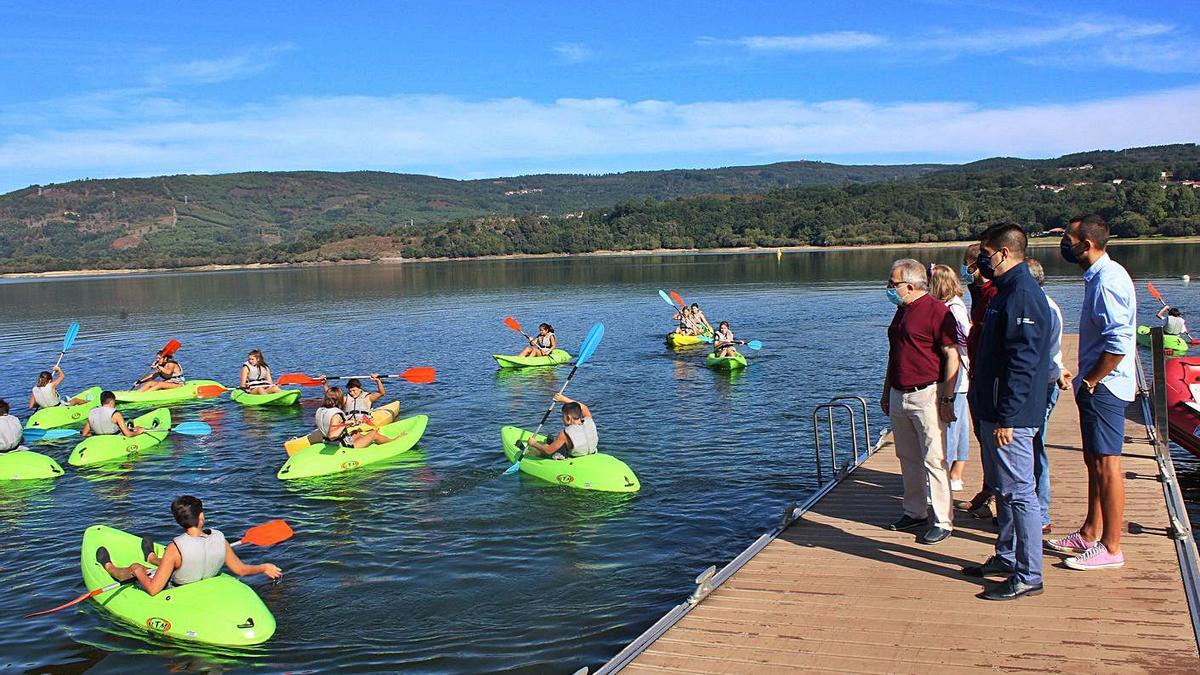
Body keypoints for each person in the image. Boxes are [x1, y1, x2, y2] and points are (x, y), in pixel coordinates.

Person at [961, 224, 1052, 601]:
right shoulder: (1004, 291)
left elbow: (1024, 361)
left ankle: (1029, 574)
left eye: (986, 252)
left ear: (1003, 252)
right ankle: (1007, 556)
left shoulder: (1023, 295)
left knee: (1019, 493)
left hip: (1010, 414)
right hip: (992, 408)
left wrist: (1010, 417)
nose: (983, 259)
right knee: (1003, 489)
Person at [1047, 214, 1136, 571]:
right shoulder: (1098, 277)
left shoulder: (1108, 281)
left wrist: (1092, 380)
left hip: (1106, 386)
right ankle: (1090, 531)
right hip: (1098, 382)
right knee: (1093, 462)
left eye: (1068, 238)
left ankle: (1111, 547)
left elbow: (1119, 342)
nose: (1064, 244)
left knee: (1107, 464)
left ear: (1087, 244)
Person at [881, 259, 959, 545]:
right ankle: (914, 511)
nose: (889, 288)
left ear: (910, 286)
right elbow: (895, 353)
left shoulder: (937, 311)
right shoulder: (901, 312)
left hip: (927, 393)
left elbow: (952, 355)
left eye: (893, 284)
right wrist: (886, 390)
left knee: (934, 458)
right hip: (899, 393)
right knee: (907, 456)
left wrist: (947, 396)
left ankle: (943, 520)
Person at [96, 495, 282, 596]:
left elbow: (153, 590)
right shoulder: (220, 538)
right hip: (203, 582)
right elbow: (241, 570)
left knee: (138, 567)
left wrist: (137, 572)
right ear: (201, 516)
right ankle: (152, 558)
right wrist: (263, 567)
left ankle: (110, 567)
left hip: (179, 589)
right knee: (173, 563)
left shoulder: (175, 548)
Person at [1027, 257, 1073, 534]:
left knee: (1035, 446)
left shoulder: (1045, 309)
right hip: (1042, 380)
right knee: (1031, 446)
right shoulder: (1042, 305)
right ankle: (1033, 508)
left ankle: (1041, 513)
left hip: (1041, 384)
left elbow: (1043, 352)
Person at [958, 242, 999, 517]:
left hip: (989, 377)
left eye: (966, 264)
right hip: (977, 374)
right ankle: (989, 488)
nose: (965, 270)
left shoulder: (994, 293)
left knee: (993, 440)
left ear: (976, 265)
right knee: (982, 437)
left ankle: (997, 497)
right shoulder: (978, 293)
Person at [929, 264, 971, 492]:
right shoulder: (955, 305)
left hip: (955, 376)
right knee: (959, 425)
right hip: (960, 377)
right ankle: (955, 473)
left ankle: (947, 474)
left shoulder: (952, 309)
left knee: (952, 427)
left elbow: (964, 338)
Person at [523, 394, 598, 459]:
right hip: (591, 452)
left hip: (574, 457)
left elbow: (548, 451)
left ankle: (529, 453)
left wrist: (534, 444)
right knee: (554, 441)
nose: (562, 419)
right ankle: (552, 442)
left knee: (545, 449)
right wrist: (564, 399)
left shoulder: (564, 434)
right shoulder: (589, 420)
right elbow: (584, 408)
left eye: (563, 416)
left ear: (568, 418)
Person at [314, 387, 389, 448]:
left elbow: (331, 425)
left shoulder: (321, 410)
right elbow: (332, 435)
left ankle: (367, 439)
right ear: (339, 399)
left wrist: (347, 423)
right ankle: (394, 443)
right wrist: (345, 424)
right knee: (374, 434)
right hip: (343, 446)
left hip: (327, 442)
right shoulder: (336, 415)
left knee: (356, 433)